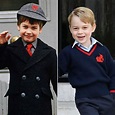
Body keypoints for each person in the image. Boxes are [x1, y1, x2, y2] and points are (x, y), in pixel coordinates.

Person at [0, 3, 57, 115]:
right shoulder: (10, 49)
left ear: (40, 29)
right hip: (18, 104)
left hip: (41, 105)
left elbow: (55, 80)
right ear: (18, 26)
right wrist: (1, 46)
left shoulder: (49, 52)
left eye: (34, 28)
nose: (29, 32)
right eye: (25, 27)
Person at [58, 7, 115, 115]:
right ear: (70, 29)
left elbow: (112, 73)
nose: (80, 32)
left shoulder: (102, 50)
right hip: (84, 100)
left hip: (107, 98)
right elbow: (56, 70)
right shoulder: (68, 53)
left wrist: (113, 94)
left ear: (93, 27)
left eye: (84, 27)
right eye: (75, 28)